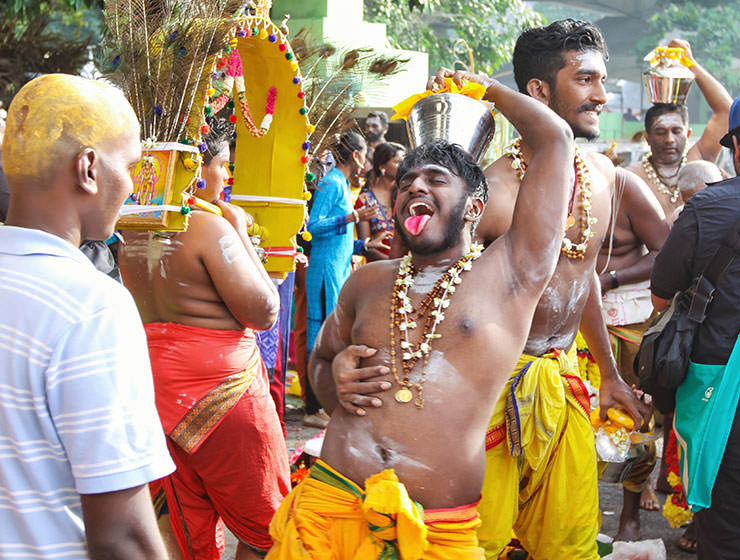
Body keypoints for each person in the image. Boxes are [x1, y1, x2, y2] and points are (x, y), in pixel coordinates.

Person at [266, 76, 574, 559]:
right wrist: (335, 377)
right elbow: (321, 363)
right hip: (331, 507)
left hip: (438, 532)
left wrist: (485, 89)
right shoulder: (367, 282)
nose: (415, 187)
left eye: (435, 179)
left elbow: (555, 139)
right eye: (407, 181)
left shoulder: (512, 274)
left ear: (475, 207)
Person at [469, 20, 648, 558]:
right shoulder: (494, 190)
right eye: (585, 80)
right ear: (539, 92)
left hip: (565, 381)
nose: (601, 95)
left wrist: (611, 374)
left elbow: (583, 276)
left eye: (602, 80)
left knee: (568, 542)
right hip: (490, 392)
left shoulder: (602, 174)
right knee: (478, 541)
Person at [0, 74, 173, 558]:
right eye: (132, 166)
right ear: (89, 168)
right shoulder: (92, 306)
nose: (134, 185)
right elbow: (122, 537)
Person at [118, 129, 290, 560]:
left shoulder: (131, 226)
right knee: (265, 528)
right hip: (225, 396)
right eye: (221, 163)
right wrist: (240, 233)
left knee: (181, 523)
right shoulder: (210, 226)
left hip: (158, 394)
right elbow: (265, 311)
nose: (226, 173)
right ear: (195, 168)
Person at [649, 101, 740, 557]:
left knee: (723, 521)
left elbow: (661, 296)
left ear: (736, 146)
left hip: (717, 389)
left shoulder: (707, 206)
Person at [597, 167, 669, 540]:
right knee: (575, 428)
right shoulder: (545, 182)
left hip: (628, 325)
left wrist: (609, 280)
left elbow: (666, 252)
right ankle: (580, 513)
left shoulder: (625, 186)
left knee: (635, 422)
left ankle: (629, 515)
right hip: (571, 326)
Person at [626, 39, 732, 225]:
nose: (669, 139)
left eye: (676, 131)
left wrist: (690, 64)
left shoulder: (698, 161)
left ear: (688, 134)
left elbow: (726, 111)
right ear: (647, 138)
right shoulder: (631, 177)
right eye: (661, 132)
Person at [355, 141, 405, 261]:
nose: (403, 167)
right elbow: (366, 247)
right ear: (382, 167)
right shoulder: (365, 200)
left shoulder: (405, 195)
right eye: (398, 162)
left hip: (408, 271)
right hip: (379, 270)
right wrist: (393, 265)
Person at [363, 110, 390, 175]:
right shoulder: (361, 150)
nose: (370, 129)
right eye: (367, 126)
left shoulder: (392, 152)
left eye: (374, 126)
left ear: (385, 128)